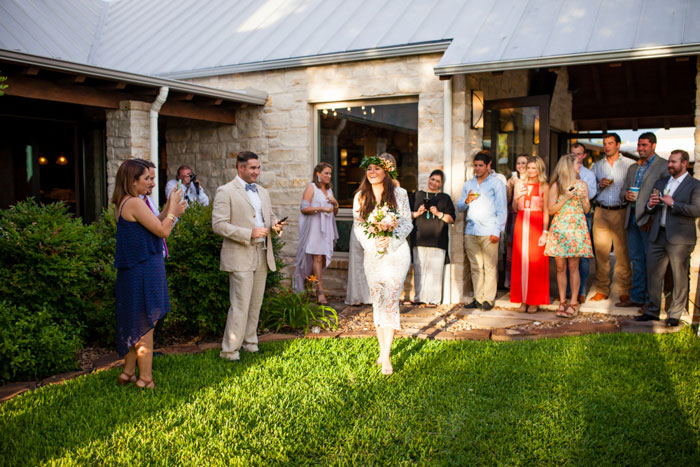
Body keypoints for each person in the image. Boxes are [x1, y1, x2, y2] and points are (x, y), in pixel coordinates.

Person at [112, 159, 186, 389]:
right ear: (132, 181)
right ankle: (145, 379)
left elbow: (154, 222)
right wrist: (173, 211)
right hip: (143, 269)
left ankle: (128, 372)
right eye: (147, 179)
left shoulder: (126, 201)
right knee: (146, 322)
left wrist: (169, 209)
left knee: (136, 321)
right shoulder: (134, 203)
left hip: (137, 269)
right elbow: (163, 230)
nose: (152, 183)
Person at [212, 151, 285, 362]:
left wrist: (275, 224)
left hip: (262, 253)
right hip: (240, 253)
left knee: (255, 304)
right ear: (240, 168)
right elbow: (218, 225)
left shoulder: (262, 191)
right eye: (253, 168)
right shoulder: (225, 191)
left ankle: (250, 343)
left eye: (259, 168)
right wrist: (248, 233)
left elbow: (268, 216)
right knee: (240, 304)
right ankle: (229, 351)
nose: (257, 172)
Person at [352, 153, 412, 375]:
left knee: (391, 300)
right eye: (369, 169)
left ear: (386, 172)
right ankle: (382, 350)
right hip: (373, 255)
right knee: (378, 301)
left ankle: (386, 356)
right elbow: (359, 227)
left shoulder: (400, 193)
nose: (372, 172)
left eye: (377, 169)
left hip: (397, 254)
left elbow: (407, 222)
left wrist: (391, 240)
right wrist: (374, 243)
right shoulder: (360, 196)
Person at [635, 150, 700, 327]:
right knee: (654, 275)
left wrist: (674, 204)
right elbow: (650, 208)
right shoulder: (661, 182)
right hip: (657, 235)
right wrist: (650, 204)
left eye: (674, 162)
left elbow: (696, 210)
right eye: (669, 162)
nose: (669, 165)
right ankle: (652, 311)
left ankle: (674, 314)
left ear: (684, 163)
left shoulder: (695, 185)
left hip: (680, 238)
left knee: (679, 276)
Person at [619, 132, 668, 309]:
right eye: (639, 145)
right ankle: (637, 297)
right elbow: (622, 191)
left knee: (650, 261)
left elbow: (664, 194)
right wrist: (626, 195)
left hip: (649, 221)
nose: (640, 149)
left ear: (653, 146)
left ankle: (650, 301)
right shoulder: (633, 168)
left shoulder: (663, 166)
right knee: (636, 260)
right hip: (631, 219)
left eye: (644, 145)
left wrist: (653, 218)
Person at [456, 150, 507, 311]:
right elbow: (459, 207)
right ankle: (478, 298)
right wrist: (466, 200)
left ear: (488, 165)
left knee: (490, 266)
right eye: (475, 166)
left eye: (480, 165)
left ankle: (488, 299)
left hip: (489, 230)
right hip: (471, 230)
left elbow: (502, 208)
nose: (477, 168)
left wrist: (497, 230)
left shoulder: (496, 183)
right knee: (475, 266)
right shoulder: (468, 184)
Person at [545, 154, 594, 318]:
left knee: (574, 266)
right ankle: (562, 301)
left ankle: (574, 301)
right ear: (568, 166)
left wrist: (583, 199)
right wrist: (566, 197)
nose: (580, 166)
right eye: (578, 163)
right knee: (560, 267)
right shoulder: (556, 186)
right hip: (560, 229)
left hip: (576, 229)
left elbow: (587, 210)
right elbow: (551, 210)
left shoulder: (583, 185)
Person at [590, 133, 634, 302]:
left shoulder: (629, 165)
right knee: (601, 253)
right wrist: (599, 186)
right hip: (601, 211)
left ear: (618, 145)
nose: (606, 146)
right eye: (604, 143)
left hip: (621, 211)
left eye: (610, 143)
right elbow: (591, 191)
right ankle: (602, 289)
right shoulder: (597, 166)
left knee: (623, 253)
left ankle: (624, 290)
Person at [293, 162, 339, 304]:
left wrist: (335, 203)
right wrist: (321, 209)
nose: (329, 176)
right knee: (317, 257)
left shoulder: (330, 191)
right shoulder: (311, 187)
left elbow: (334, 212)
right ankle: (320, 291)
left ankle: (309, 284)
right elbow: (303, 208)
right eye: (326, 173)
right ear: (318, 174)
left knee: (323, 259)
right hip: (314, 228)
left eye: (330, 173)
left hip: (327, 229)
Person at [409, 169, 455, 306]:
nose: (434, 183)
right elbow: (406, 215)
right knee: (419, 269)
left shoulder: (445, 198)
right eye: (432, 179)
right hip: (419, 237)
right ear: (428, 178)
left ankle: (433, 299)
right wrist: (417, 213)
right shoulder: (417, 195)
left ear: (441, 184)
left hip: (437, 239)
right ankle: (419, 297)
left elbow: (451, 219)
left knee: (435, 271)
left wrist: (438, 213)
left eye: (438, 181)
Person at [510, 156, 550, 312]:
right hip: (521, 222)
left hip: (537, 224)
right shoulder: (520, 184)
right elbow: (515, 207)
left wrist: (545, 232)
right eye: (529, 168)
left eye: (534, 168)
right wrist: (516, 196)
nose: (531, 171)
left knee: (535, 262)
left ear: (539, 169)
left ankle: (534, 300)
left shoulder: (544, 186)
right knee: (521, 262)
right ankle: (522, 300)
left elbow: (547, 211)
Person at [566, 143, 597, 304]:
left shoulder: (588, 175)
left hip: (582, 215)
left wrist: (580, 190)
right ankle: (568, 291)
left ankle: (581, 290)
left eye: (579, 154)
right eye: (573, 153)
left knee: (582, 257)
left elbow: (591, 195)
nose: (576, 156)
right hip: (565, 216)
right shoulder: (563, 175)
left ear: (584, 155)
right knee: (566, 256)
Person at [504, 154, 529, 289]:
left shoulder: (530, 180)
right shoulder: (511, 180)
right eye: (518, 163)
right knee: (512, 249)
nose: (520, 166)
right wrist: (510, 186)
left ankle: (523, 282)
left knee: (523, 250)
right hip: (513, 217)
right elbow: (507, 201)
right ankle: (511, 283)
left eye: (523, 163)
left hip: (526, 217)